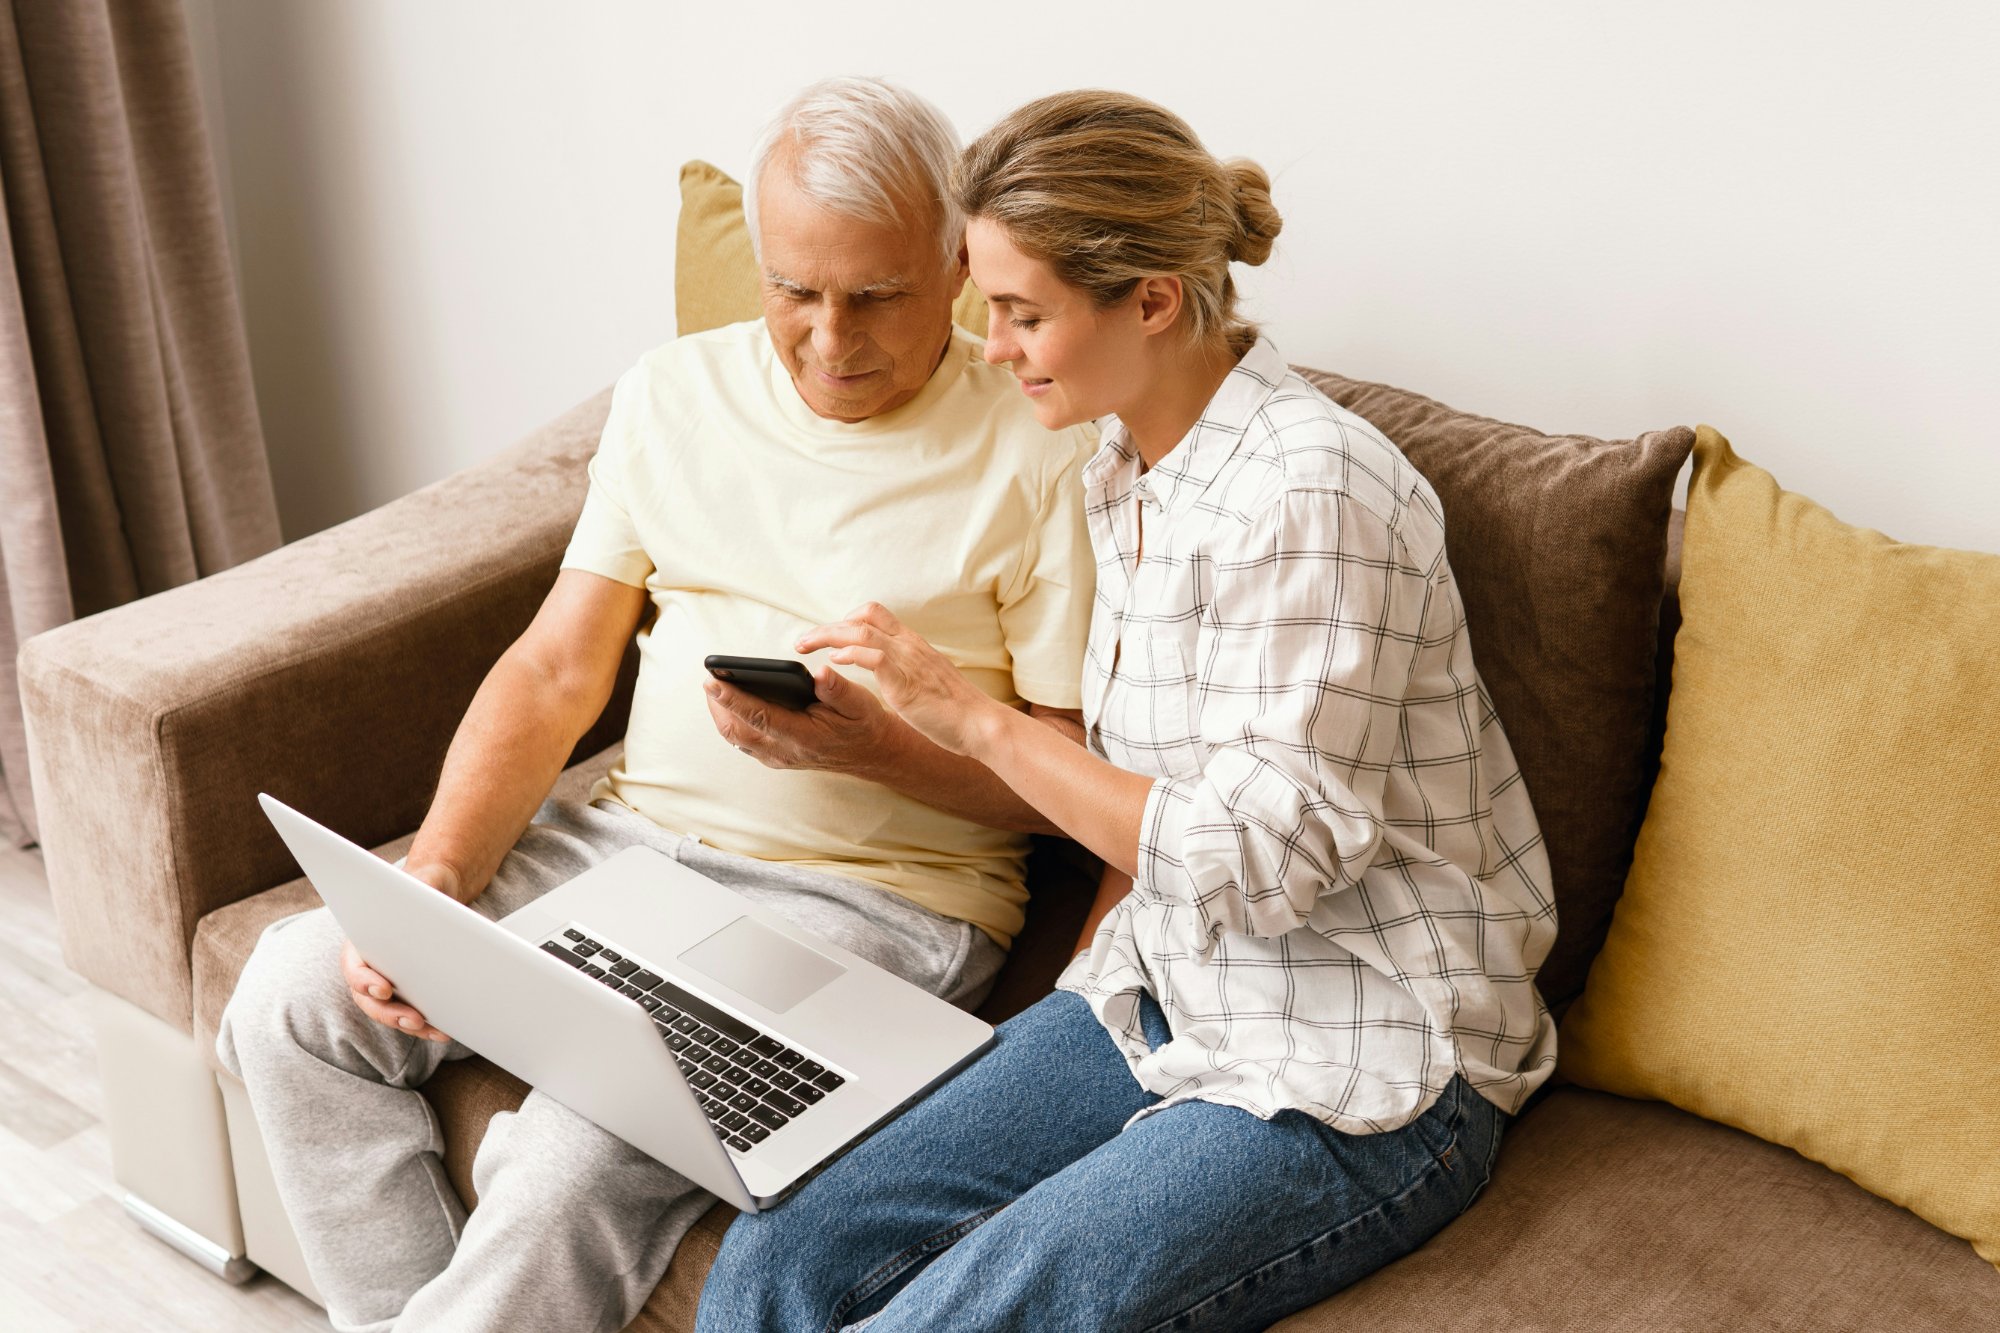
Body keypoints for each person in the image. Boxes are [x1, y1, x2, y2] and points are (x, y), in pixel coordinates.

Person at [215, 76, 1099, 1333]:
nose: (830, 338)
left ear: (953, 264)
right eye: (795, 288)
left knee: (578, 1148)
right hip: (618, 851)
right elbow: (555, 669)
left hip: (872, 912)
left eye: (877, 295)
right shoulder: (672, 393)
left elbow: (1068, 784)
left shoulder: (1040, 446)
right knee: (294, 988)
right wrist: (442, 877)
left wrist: (882, 752)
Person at [695, 90, 1560, 1333]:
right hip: (1162, 990)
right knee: (780, 1248)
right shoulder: (1123, 473)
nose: (989, 345)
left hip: (1361, 1057)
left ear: (1151, 300)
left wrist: (973, 717)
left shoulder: (1312, 492)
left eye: (1021, 312)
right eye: (984, 302)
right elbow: (1149, 818)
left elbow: (1262, 867)